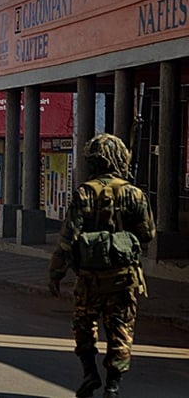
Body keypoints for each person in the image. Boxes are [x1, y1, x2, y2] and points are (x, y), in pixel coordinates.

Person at [48, 133, 155, 398]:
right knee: (121, 331)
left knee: (84, 327)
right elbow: (148, 234)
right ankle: (112, 386)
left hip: (89, 279)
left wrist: (56, 273)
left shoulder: (84, 193)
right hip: (123, 279)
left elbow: (67, 240)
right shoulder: (134, 194)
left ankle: (89, 373)